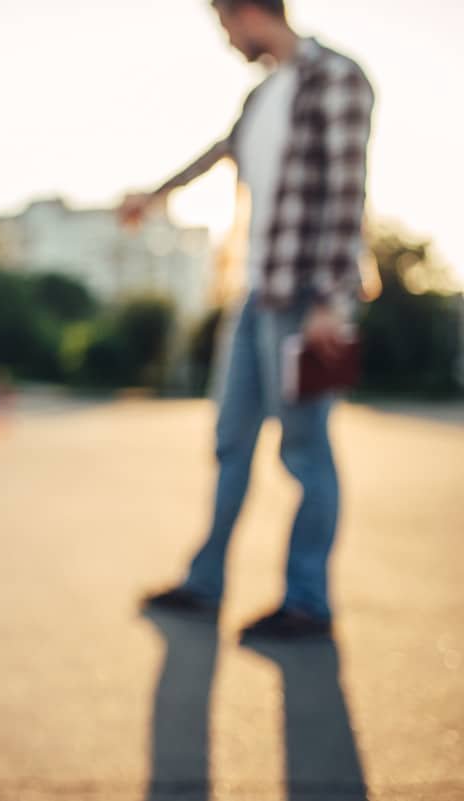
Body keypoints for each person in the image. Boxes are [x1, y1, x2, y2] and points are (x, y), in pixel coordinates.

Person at [121, 0, 374, 639]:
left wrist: (331, 301)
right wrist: (154, 196)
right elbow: (216, 155)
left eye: (225, 25)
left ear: (249, 12)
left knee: (306, 451)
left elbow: (348, 194)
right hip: (255, 295)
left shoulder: (336, 77)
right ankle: (206, 583)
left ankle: (307, 602)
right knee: (231, 442)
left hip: (305, 300)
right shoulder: (263, 97)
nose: (227, 39)